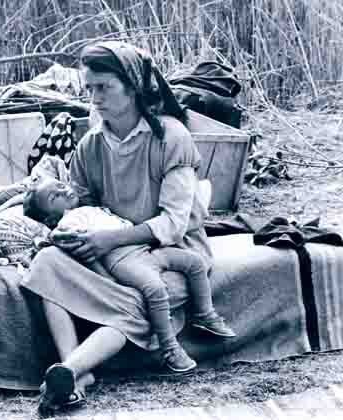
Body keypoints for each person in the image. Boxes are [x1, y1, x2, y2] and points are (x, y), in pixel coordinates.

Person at [21, 40, 233, 415]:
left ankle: (71, 369)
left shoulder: (171, 137)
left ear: (132, 87)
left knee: (139, 300)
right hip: (112, 254)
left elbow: (174, 222)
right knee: (46, 263)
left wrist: (110, 240)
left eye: (104, 87)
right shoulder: (90, 145)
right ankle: (77, 374)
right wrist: (70, 236)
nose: (95, 98)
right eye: (90, 88)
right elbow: (82, 208)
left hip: (170, 252)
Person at [24, 176, 235, 373]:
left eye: (60, 185)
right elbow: (77, 246)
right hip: (123, 259)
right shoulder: (69, 221)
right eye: (54, 197)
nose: (64, 190)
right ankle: (170, 348)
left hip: (144, 250)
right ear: (50, 217)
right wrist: (106, 277)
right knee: (155, 289)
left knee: (194, 262)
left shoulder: (90, 208)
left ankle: (205, 314)